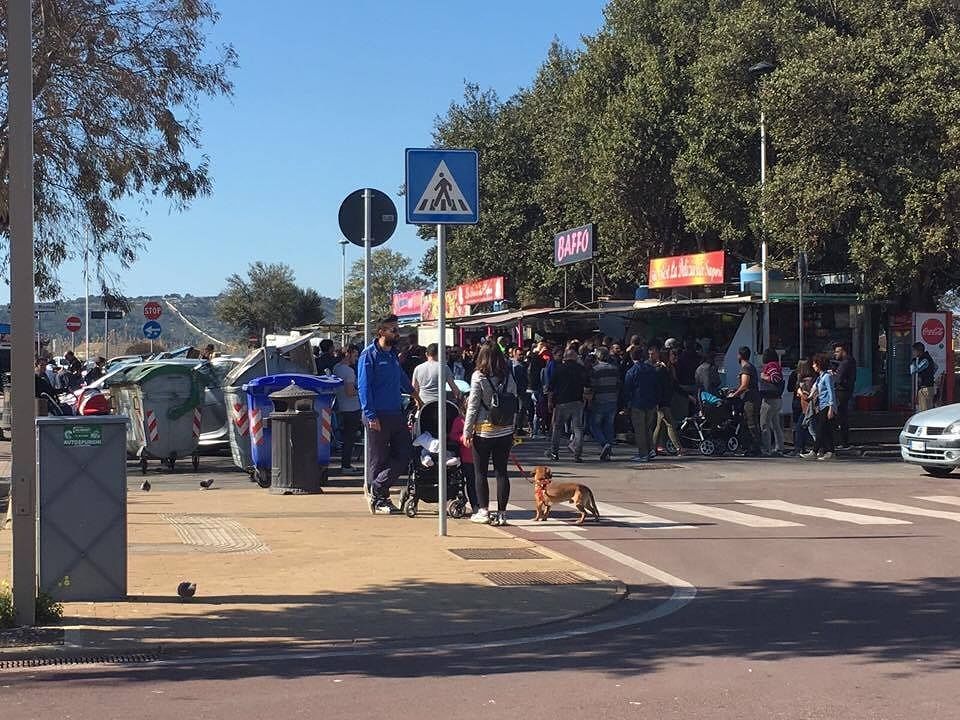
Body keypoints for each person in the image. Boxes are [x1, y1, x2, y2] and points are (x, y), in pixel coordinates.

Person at [357, 315, 414, 514]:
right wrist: (371, 415)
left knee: (405, 452)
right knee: (378, 458)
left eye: (397, 329)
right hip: (377, 415)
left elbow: (401, 378)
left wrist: (416, 394)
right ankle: (379, 499)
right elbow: (363, 387)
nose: (396, 333)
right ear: (381, 331)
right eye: (392, 330)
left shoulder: (393, 356)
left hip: (395, 413)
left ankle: (378, 488)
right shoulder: (368, 355)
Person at [463, 343, 518, 526]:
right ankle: (502, 513)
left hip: (484, 429)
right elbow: (514, 401)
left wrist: (467, 430)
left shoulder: (478, 376)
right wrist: (513, 427)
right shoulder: (508, 375)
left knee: (480, 472)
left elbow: (473, 405)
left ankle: (484, 510)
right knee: (502, 472)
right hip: (505, 430)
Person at [546, 349, 590, 462]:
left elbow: (551, 387)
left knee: (557, 428)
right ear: (575, 357)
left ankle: (554, 452)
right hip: (577, 401)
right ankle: (577, 454)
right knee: (578, 429)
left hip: (561, 402)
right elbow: (587, 386)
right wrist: (586, 399)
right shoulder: (581, 369)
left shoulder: (559, 368)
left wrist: (550, 402)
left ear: (565, 357)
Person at [622, 347, 659, 463]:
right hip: (651, 402)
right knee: (648, 428)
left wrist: (626, 405)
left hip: (637, 403)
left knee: (640, 430)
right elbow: (656, 385)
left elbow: (627, 390)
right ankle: (651, 450)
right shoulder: (651, 369)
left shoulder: (632, 371)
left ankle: (643, 454)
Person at [649, 342, 684, 456]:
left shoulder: (668, 368)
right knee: (670, 423)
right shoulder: (660, 369)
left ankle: (653, 447)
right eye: (672, 355)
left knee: (660, 426)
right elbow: (659, 386)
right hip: (662, 401)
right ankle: (678, 447)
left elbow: (674, 385)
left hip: (665, 400)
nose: (675, 357)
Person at [332, 345, 362, 475]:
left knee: (347, 438)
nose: (356, 358)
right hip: (352, 408)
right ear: (347, 354)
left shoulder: (336, 368)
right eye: (355, 355)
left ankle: (346, 464)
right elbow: (350, 391)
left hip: (342, 406)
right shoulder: (349, 371)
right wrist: (361, 391)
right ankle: (346, 465)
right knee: (350, 438)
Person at [728, 346, 762, 456]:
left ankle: (755, 448)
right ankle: (749, 446)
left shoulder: (746, 368)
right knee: (747, 422)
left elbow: (744, 385)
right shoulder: (750, 367)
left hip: (750, 399)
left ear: (740, 356)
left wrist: (734, 394)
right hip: (752, 398)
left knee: (751, 423)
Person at [803, 353, 837, 461]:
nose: (813, 366)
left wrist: (832, 407)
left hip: (827, 405)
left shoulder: (827, 377)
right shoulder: (820, 378)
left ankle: (815, 451)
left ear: (819, 364)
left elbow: (831, 392)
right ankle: (830, 451)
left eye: (814, 364)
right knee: (826, 430)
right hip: (821, 406)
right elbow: (814, 389)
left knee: (820, 429)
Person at [450, 396, 480, 516]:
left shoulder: (481, 418)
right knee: (471, 482)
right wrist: (463, 438)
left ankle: (481, 504)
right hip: (467, 457)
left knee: (479, 481)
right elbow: (453, 435)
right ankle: (474, 505)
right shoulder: (460, 420)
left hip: (479, 455)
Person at [589, 346, 620, 461]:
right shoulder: (614, 368)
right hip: (612, 400)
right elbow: (618, 385)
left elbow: (592, 386)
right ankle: (609, 448)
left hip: (599, 400)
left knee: (594, 425)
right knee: (609, 426)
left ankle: (604, 444)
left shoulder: (595, 369)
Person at [759, 348, 786, 456]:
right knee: (776, 425)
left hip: (769, 400)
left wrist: (764, 377)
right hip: (778, 399)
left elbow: (775, 378)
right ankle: (779, 447)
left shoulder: (771, 366)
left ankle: (767, 449)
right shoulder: (777, 365)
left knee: (764, 424)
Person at [833, 342, 857, 449]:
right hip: (847, 391)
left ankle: (843, 441)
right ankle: (843, 441)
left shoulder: (845, 363)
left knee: (841, 417)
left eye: (838, 351)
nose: (835, 354)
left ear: (843, 351)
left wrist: (834, 375)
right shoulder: (850, 361)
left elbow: (839, 379)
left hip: (842, 392)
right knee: (843, 417)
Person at [788, 360, 814, 456]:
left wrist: (799, 391)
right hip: (804, 403)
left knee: (798, 425)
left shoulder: (797, 376)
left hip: (799, 402)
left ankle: (798, 446)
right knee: (804, 425)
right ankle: (802, 446)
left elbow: (789, 388)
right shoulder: (811, 377)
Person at [910, 342, 937, 411]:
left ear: (918, 351)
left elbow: (913, 370)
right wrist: (930, 373)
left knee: (924, 410)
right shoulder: (927, 357)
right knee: (926, 409)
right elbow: (936, 367)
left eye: (914, 351)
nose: (913, 353)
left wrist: (913, 361)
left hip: (925, 388)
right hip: (928, 387)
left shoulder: (925, 359)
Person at [509, 345, 529, 435]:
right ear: (514, 355)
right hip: (515, 391)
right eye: (519, 354)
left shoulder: (524, 365)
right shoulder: (513, 366)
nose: (521, 356)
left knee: (522, 409)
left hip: (523, 390)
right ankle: (515, 428)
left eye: (522, 354)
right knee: (517, 410)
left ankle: (519, 427)